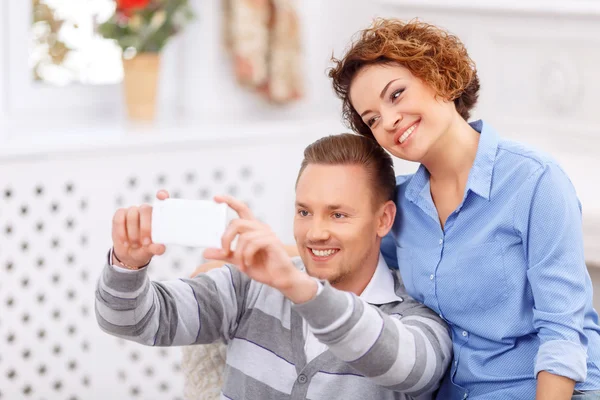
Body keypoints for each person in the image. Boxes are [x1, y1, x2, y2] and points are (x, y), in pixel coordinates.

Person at [327, 18, 600, 399]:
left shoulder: (534, 181)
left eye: (396, 94)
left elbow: (564, 330)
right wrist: (249, 260)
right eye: (372, 119)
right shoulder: (399, 206)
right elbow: (338, 250)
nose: (388, 121)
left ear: (439, 75)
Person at [95, 134, 452, 400]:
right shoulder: (249, 286)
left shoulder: (415, 319)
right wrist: (127, 263)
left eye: (338, 214)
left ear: (383, 219)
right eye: (304, 212)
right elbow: (131, 321)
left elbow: (407, 367)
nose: (315, 232)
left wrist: (299, 287)